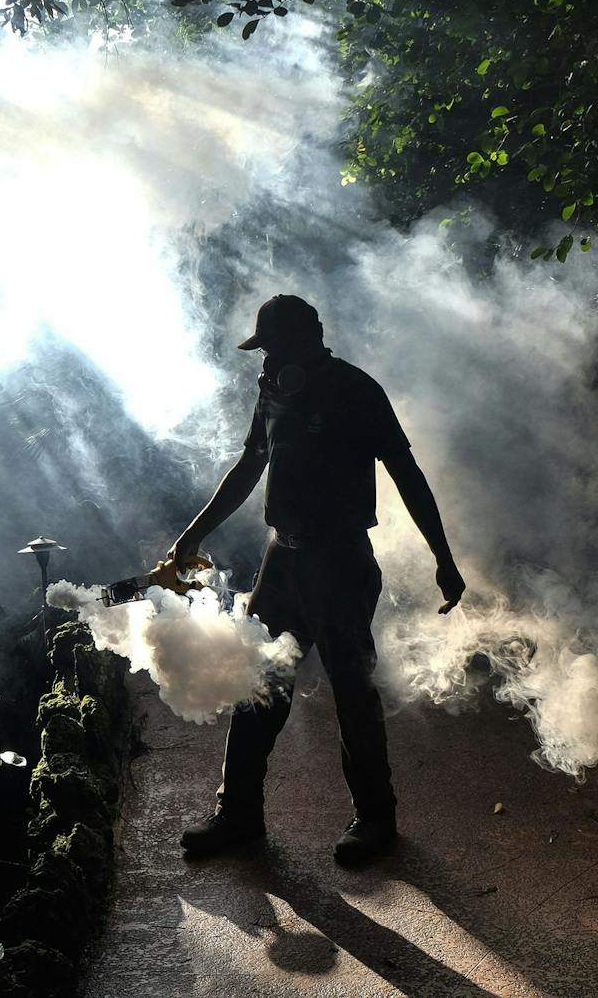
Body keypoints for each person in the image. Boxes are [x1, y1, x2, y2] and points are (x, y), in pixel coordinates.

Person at [168, 294, 466, 866]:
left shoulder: (358, 391)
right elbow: (250, 464)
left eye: (274, 348)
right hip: (282, 559)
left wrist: (443, 558)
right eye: (262, 351)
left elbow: (406, 472)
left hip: (341, 561)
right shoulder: (273, 389)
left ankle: (376, 821)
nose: (265, 361)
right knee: (256, 683)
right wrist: (194, 533)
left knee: (351, 691)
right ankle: (239, 816)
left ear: (311, 339)